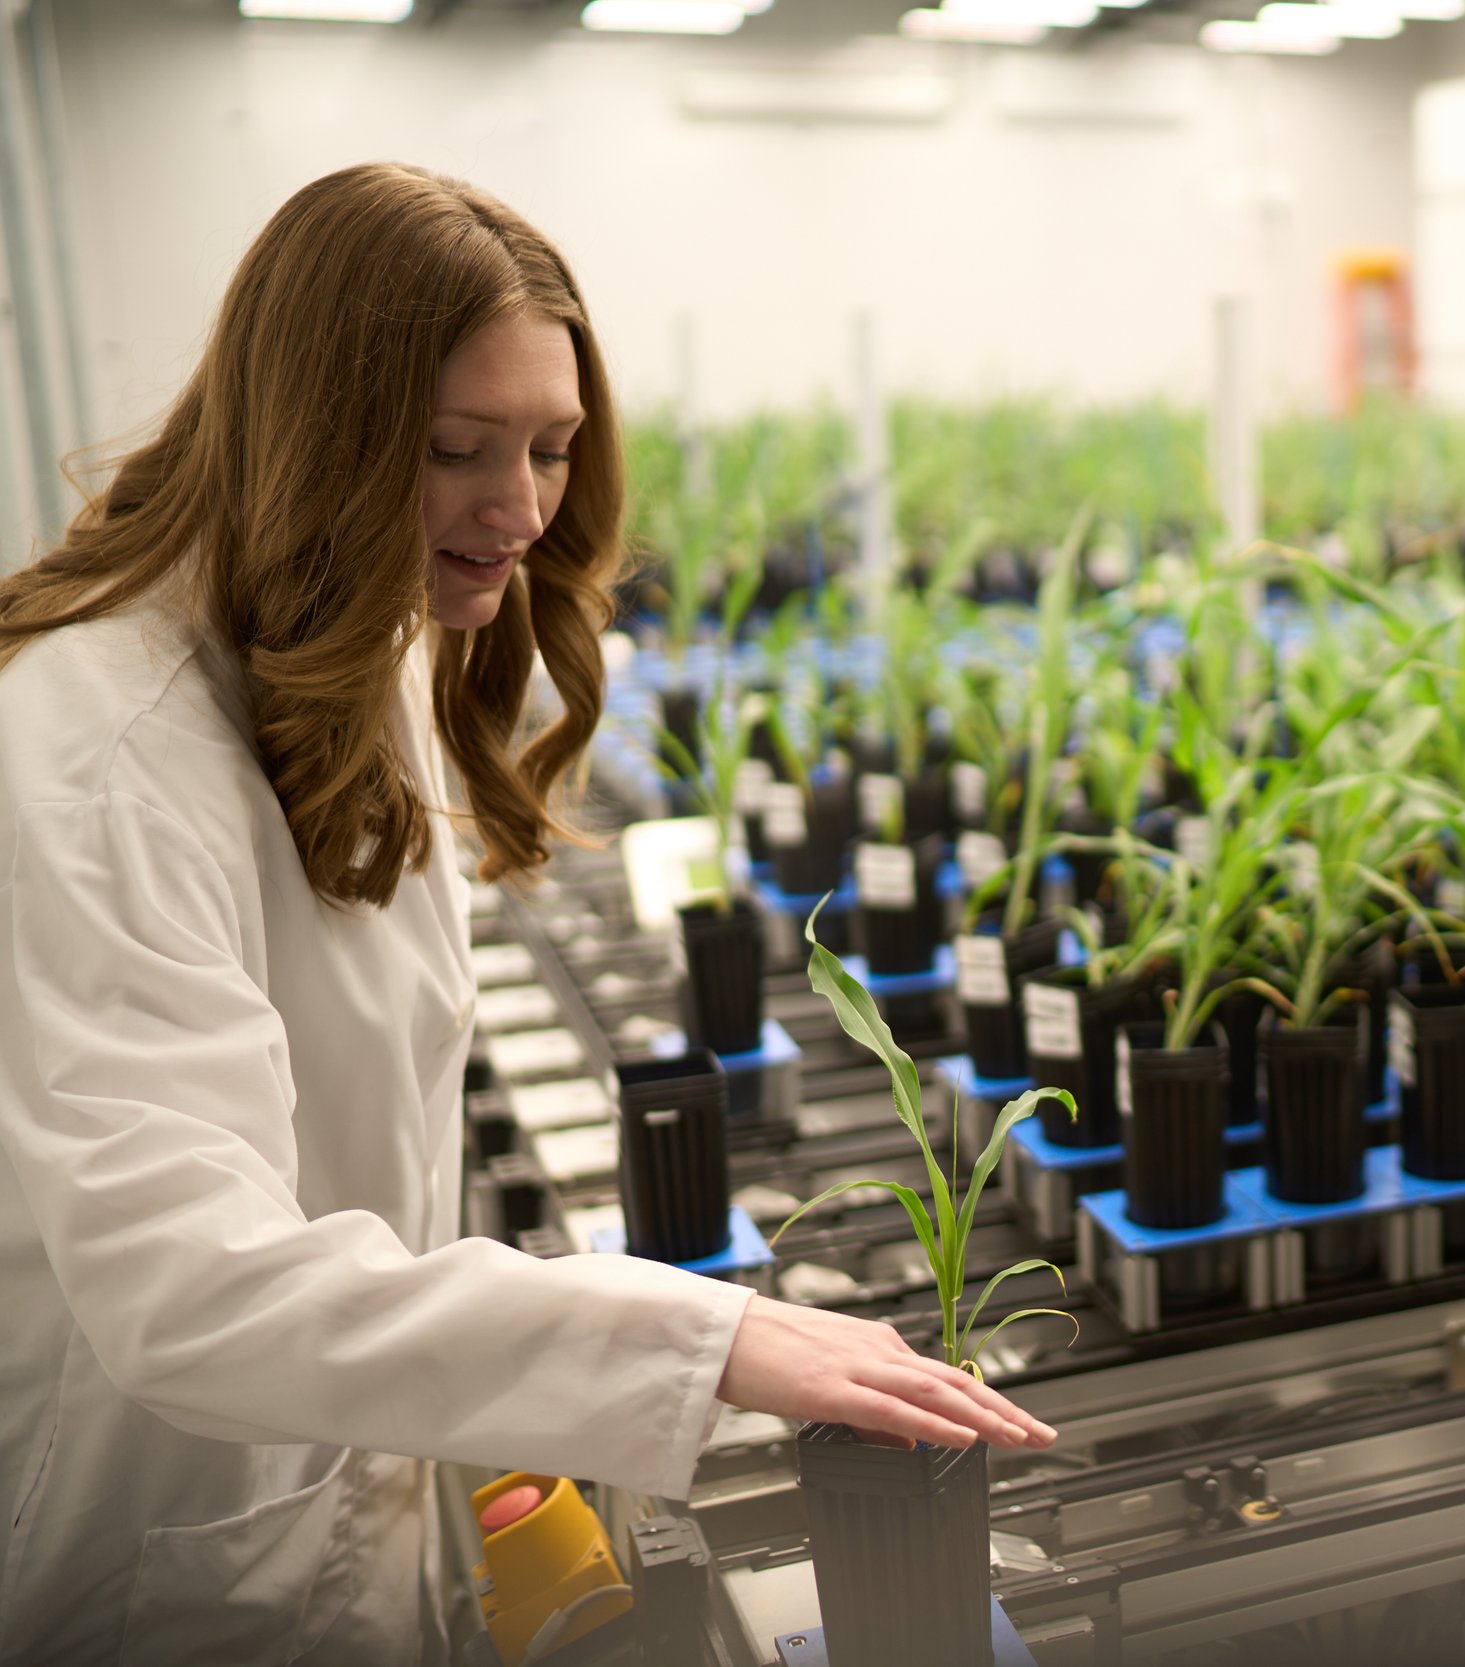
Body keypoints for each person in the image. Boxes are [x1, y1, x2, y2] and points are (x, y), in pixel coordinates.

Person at [0, 163, 1054, 1667]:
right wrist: (700, 1338)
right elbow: (189, 1291)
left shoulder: (352, 635)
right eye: (455, 449)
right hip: (158, 1565)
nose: (521, 509)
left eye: (553, 449)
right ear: (315, 434)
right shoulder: (98, 749)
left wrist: (503, 1396)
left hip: (329, 1503)